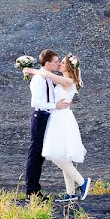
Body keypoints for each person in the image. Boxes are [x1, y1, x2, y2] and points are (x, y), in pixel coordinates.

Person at [23, 53, 90, 202]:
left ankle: (82, 182)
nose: (59, 64)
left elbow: (46, 73)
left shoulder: (66, 80)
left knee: (57, 155)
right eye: (57, 61)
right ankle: (71, 193)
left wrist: (30, 70)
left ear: (68, 67)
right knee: (61, 154)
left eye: (62, 62)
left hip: (60, 118)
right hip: (57, 117)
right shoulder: (64, 80)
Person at [25, 49, 70, 197]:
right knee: (36, 154)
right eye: (56, 61)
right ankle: (31, 191)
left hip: (47, 117)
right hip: (40, 117)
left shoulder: (48, 77)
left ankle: (35, 190)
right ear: (48, 63)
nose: (58, 63)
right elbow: (35, 102)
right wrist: (55, 106)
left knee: (41, 155)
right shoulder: (39, 79)